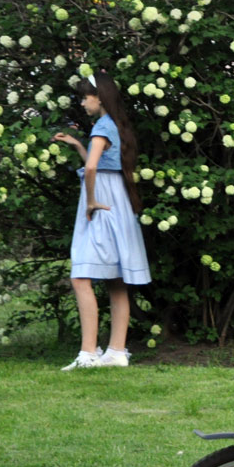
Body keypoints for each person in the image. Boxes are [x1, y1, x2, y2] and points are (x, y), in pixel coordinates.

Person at [53, 72, 151, 370]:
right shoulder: (116, 126)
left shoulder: (101, 127)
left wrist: (92, 200)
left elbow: (93, 168)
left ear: (100, 98)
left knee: (80, 276)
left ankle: (88, 353)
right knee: (116, 280)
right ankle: (117, 351)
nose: (83, 103)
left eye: (86, 97)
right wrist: (79, 146)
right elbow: (99, 161)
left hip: (102, 203)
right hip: (117, 200)